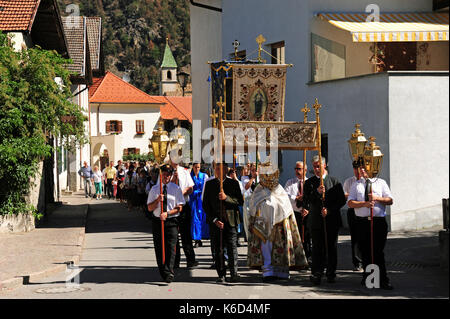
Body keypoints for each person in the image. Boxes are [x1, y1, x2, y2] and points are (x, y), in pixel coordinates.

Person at [247, 163, 308, 282]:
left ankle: (281, 271)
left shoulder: (279, 189)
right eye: (266, 174)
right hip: (263, 224)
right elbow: (253, 205)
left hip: (280, 224)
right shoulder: (259, 189)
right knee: (266, 247)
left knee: (282, 246)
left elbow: (286, 206)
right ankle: (268, 271)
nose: (269, 177)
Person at [348, 162, 394, 290]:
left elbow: (390, 200)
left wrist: (377, 198)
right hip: (362, 222)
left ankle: (383, 279)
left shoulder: (381, 182)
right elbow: (350, 203)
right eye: (360, 168)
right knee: (366, 251)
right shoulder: (356, 184)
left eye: (364, 167)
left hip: (378, 222)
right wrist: (364, 204)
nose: (362, 170)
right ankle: (369, 278)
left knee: (378, 251)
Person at [302, 156, 346, 285]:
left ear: (324, 165)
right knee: (317, 248)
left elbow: (341, 200)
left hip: (331, 220)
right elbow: (306, 200)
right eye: (314, 166)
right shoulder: (309, 182)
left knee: (331, 247)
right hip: (316, 220)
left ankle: (331, 273)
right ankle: (316, 273)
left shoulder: (334, 181)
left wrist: (330, 210)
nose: (316, 169)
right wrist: (316, 191)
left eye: (318, 166)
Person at [203, 162, 243, 283]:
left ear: (226, 170)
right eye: (217, 169)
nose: (219, 171)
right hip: (216, 222)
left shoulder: (233, 183)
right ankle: (221, 273)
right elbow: (206, 205)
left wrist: (227, 198)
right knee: (217, 249)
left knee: (232, 248)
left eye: (222, 169)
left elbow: (239, 201)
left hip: (230, 221)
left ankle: (234, 273)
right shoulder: (209, 184)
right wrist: (214, 220)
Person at [147, 164, 185, 283]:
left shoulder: (176, 188)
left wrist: (168, 214)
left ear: (171, 175)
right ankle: (163, 270)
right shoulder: (154, 189)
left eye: (169, 174)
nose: (166, 176)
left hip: (171, 221)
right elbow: (149, 208)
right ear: (160, 175)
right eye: (164, 174)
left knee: (171, 247)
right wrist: (157, 200)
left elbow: (180, 207)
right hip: (158, 221)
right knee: (159, 247)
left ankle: (169, 271)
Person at [169, 159, 197, 268]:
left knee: (186, 235)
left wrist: (181, 192)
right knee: (173, 235)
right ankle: (175, 261)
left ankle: (190, 259)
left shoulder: (185, 171)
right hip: (172, 207)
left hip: (184, 206)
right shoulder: (165, 172)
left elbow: (191, 188)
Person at [285, 161, 311, 264]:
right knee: (295, 236)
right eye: (295, 169)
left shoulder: (309, 182)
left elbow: (312, 197)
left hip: (306, 213)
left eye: (299, 169)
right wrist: (296, 197)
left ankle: (308, 257)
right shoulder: (290, 182)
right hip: (294, 213)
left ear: (305, 170)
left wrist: (308, 209)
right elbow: (285, 196)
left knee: (307, 236)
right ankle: (296, 257)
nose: (297, 171)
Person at [343, 160, 364, 272]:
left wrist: (353, 197)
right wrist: (353, 197)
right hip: (352, 211)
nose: (357, 171)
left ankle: (366, 260)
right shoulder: (349, 181)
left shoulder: (366, 181)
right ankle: (357, 262)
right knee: (355, 238)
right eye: (355, 168)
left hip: (363, 210)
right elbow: (345, 195)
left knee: (364, 236)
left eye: (359, 168)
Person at [190, 163, 209, 248]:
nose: (197, 169)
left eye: (198, 167)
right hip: (194, 200)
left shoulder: (204, 176)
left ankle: (203, 236)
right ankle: (197, 239)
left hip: (202, 199)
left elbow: (207, 187)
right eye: (195, 167)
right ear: (193, 167)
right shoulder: (190, 176)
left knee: (203, 218)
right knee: (195, 219)